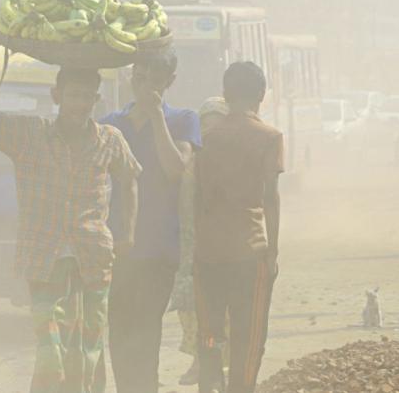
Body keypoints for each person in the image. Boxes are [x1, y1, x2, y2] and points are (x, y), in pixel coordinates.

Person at [0, 22, 142, 393]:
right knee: (51, 351)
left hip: (94, 255)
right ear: (56, 95)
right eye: (73, 95)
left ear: (96, 100)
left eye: (87, 97)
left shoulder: (110, 139)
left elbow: (131, 178)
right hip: (44, 255)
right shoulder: (29, 135)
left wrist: (128, 234)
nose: (79, 104)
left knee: (90, 348)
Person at [100, 50, 201, 392]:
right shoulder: (111, 123)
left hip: (159, 249)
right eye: (138, 78)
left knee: (145, 333)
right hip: (117, 246)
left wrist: (156, 116)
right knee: (119, 331)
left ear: (168, 83)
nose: (143, 87)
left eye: (153, 81)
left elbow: (177, 170)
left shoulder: (183, 120)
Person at [194, 62, 283, 393]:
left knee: (211, 329)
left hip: (208, 252)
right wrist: (272, 253)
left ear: (226, 95)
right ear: (260, 95)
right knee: (248, 334)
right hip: (250, 250)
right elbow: (270, 199)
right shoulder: (270, 137)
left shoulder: (206, 138)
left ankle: (210, 383)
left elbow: (197, 195)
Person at [174, 97, 230, 386]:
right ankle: (200, 361)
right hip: (188, 246)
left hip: (221, 247)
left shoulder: (233, 161)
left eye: (216, 125)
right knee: (188, 306)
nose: (210, 132)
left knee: (218, 310)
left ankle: (214, 365)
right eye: (205, 125)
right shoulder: (188, 158)